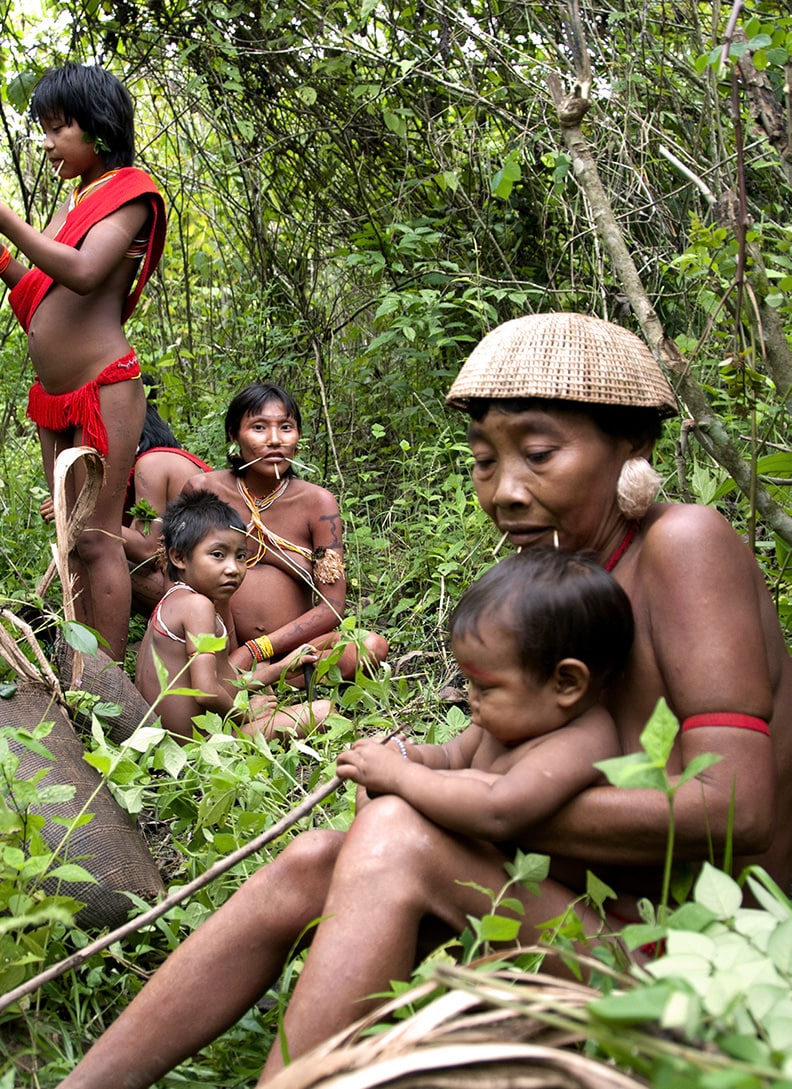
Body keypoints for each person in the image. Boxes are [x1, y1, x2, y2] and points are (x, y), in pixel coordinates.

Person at [56, 312, 792, 1089]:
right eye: (484, 461)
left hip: (707, 959)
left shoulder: (683, 544)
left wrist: (461, 797)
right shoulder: (566, 582)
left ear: (632, 446)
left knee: (399, 836)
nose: (505, 491)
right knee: (315, 857)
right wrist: (426, 765)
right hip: (598, 913)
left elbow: (737, 810)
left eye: (540, 455)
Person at [0, 62, 166, 662]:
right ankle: (81, 670)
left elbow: (84, 275)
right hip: (53, 397)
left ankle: (106, 687)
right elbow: (46, 301)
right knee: (71, 540)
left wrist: (6, 218)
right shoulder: (78, 201)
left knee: (97, 537)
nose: (46, 142)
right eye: (44, 128)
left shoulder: (133, 192)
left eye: (58, 128)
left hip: (103, 385)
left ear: (98, 127)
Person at [337, 547, 632, 840]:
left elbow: (496, 809)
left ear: (566, 684)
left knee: (384, 822)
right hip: (482, 870)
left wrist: (399, 776)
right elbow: (448, 757)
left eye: (485, 687)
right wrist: (404, 754)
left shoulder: (583, 742)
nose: (471, 696)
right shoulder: (500, 727)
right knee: (313, 853)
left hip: (527, 884)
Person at [184, 382, 388, 683]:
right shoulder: (203, 490)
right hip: (215, 648)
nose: (274, 440)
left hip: (295, 652)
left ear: (299, 437)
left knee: (369, 646)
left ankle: (264, 683)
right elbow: (178, 577)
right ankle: (238, 684)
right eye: (259, 427)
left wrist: (257, 649)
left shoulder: (317, 503)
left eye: (286, 427)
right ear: (233, 434)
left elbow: (332, 606)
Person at [135, 491, 332, 742]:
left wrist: (281, 668)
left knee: (274, 684)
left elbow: (225, 679)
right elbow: (205, 692)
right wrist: (244, 714)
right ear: (179, 557)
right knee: (324, 712)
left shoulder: (176, 600)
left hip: (172, 739)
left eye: (240, 557)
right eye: (218, 555)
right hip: (198, 745)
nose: (233, 569)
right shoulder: (197, 606)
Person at [40, 382, 212, 614]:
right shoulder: (143, 468)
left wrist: (77, 514)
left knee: (98, 559)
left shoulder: (153, 464)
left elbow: (147, 551)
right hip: (203, 579)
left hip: (213, 586)